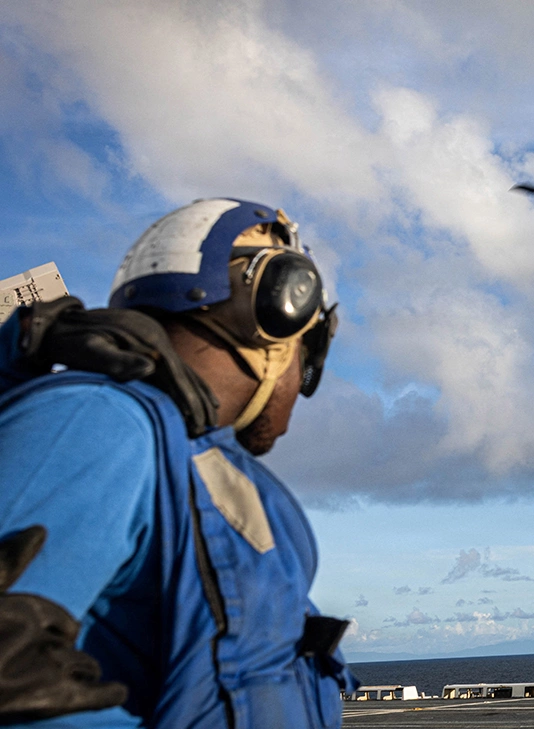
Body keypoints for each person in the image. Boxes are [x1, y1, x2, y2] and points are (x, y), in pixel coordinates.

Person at [0, 198, 356, 727]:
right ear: (274, 315)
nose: (303, 387)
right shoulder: (99, 421)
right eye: (310, 350)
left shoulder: (213, 474)